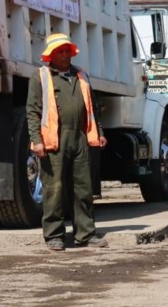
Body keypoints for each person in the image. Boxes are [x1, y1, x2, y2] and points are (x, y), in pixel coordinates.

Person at [26, 33, 109, 251]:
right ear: (50, 55)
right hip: (54, 139)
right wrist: (37, 140)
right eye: (59, 52)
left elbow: (93, 108)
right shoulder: (40, 77)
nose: (64, 55)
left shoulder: (81, 76)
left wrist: (99, 132)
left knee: (83, 188)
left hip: (80, 138)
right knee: (55, 189)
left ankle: (86, 234)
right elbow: (32, 111)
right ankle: (54, 235)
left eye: (67, 51)